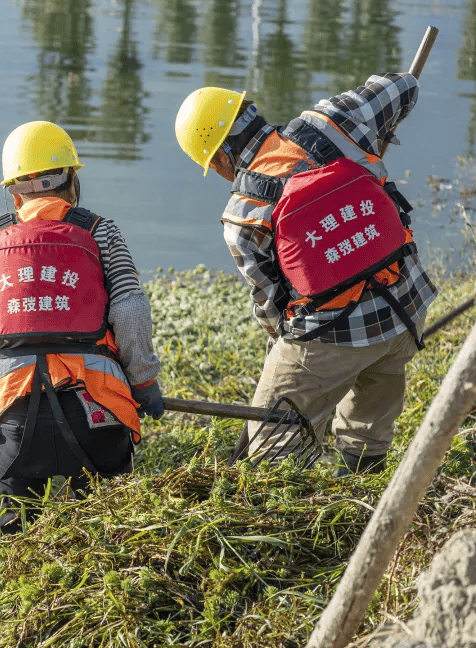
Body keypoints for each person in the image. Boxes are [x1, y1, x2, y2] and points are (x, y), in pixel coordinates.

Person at [174, 74, 437, 475]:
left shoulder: (242, 213)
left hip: (335, 334)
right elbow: (403, 85)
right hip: (406, 306)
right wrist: (376, 135)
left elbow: (272, 308)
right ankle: (363, 480)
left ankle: (306, 510)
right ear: (250, 112)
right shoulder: (332, 120)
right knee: (371, 411)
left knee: (270, 442)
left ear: (223, 158)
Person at [0, 120, 164, 544]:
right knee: (100, 541)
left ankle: (3, 599)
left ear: (14, 192)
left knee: (10, 544)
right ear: (72, 182)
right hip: (96, 417)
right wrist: (144, 382)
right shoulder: (100, 232)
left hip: (13, 424)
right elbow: (130, 311)